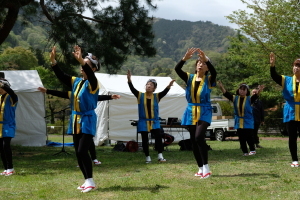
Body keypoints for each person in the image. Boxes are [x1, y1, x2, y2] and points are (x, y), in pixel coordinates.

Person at [50, 45, 99, 193]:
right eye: (82, 65)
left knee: (83, 151)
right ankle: (86, 180)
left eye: (86, 65)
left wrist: (82, 61)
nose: (82, 67)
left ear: (94, 69)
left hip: (88, 119)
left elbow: (90, 75)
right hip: (76, 119)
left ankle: (90, 181)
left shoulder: (94, 83)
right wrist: (53, 62)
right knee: (78, 152)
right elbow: (62, 76)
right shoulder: (77, 81)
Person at [37, 87, 121, 166]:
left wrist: (110, 96)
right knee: (78, 141)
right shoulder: (75, 95)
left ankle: (94, 158)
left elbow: (98, 97)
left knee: (88, 139)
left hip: (87, 119)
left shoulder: (90, 95)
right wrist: (47, 91)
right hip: (76, 119)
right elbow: (62, 94)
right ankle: (81, 161)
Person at [175, 48, 216, 179]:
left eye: (203, 63)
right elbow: (177, 69)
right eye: (199, 62)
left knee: (199, 137)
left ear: (207, 68)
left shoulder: (209, 79)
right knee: (193, 141)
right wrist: (184, 59)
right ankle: (200, 168)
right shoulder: (189, 78)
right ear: (196, 65)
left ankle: (206, 168)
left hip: (204, 110)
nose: (200, 64)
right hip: (190, 111)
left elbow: (214, 71)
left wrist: (207, 59)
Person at [127, 69, 175, 163]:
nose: (149, 86)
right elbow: (132, 89)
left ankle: (160, 156)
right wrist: (129, 80)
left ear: (154, 88)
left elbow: (165, 92)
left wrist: (169, 86)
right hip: (143, 121)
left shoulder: (157, 96)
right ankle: (147, 157)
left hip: (154, 121)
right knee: (145, 140)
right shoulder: (140, 95)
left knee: (158, 137)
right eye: (148, 84)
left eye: (151, 85)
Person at [270, 52, 300, 167]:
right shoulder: (286, 80)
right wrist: (272, 65)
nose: (296, 68)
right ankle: (295, 160)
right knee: (292, 137)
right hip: (290, 111)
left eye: (298, 66)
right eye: (295, 65)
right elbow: (274, 76)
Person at [218, 81, 263, 156]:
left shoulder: (249, 99)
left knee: (249, 137)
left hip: (248, 120)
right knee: (241, 138)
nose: (242, 91)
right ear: (238, 90)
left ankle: (252, 150)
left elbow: (256, 96)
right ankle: (245, 152)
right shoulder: (235, 98)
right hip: (239, 121)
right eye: (241, 89)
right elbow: (226, 94)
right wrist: (221, 87)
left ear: (247, 91)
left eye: (244, 90)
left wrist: (260, 90)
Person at [0, 78, 18, 176]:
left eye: (2, 87)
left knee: (5, 146)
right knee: (1, 148)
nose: (0, 89)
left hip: (8, 125)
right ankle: (6, 169)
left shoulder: (12, 97)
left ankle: (10, 168)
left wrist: (2, 84)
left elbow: (12, 93)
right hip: (0, 126)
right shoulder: (0, 97)